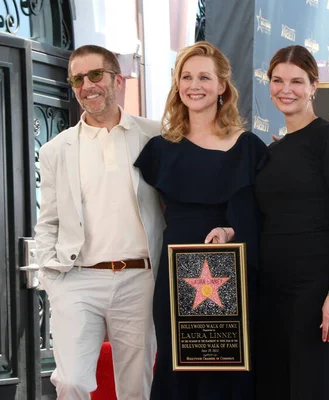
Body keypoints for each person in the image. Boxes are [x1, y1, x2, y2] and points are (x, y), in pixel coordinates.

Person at [134, 41, 267, 400]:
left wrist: (230, 231)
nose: (195, 85)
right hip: (176, 277)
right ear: (178, 85)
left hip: (233, 274)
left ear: (223, 85)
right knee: (178, 370)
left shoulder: (249, 147)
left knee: (229, 373)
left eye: (205, 77)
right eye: (186, 76)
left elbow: (261, 216)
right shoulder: (159, 150)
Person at [34, 45, 164, 399]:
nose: (87, 85)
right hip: (77, 279)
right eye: (78, 78)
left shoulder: (156, 136)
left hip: (139, 278)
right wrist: (51, 278)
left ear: (117, 80)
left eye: (95, 75)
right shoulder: (55, 150)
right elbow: (48, 220)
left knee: (136, 386)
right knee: (71, 381)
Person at [254, 45, 329, 400]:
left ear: (314, 86)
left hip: (317, 293)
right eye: (278, 80)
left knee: (318, 387)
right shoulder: (271, 152)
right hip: (273, 293)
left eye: (297, 81)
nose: (286, 89)